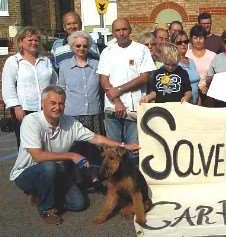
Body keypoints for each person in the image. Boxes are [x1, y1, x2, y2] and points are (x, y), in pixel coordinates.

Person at [9, 85, 140, 225]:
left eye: (61, 103)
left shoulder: (69, 122)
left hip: (56, 172)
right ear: (42, 104)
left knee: (79, 204)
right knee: (49, 167)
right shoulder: (31, 121)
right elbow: (38, 156)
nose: (57, 107)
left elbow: (97, 138)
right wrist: (72, 156)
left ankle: (42, 194)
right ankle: (46, 209)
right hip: (26, 173)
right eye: (52, 103)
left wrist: (124, 145)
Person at [97, 18, 155, 162]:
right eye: (118, 30)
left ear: (130, 30)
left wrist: (120, 89)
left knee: (134, 152)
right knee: (114, 153)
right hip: (112, 109)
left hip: (134, 110)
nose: (121, 33)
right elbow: (103, 79)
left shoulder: (141, 50)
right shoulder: (107, 52)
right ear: (113, 33)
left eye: (124, 29)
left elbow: (144, 77)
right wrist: (117, 100)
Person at [1, 26, 57, 147]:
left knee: (47, 143)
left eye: (36, 40)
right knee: (27, 146)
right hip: (24, 109)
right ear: (21, 41)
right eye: (30, 40)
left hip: (45, 109)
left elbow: (54, 83)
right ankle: (27, 167)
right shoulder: (14, 61)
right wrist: (16, 107)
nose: (34, 43)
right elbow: (8, 85)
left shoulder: (45, 61)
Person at [58, 31, 103, 134]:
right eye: (78, 46)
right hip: (72, 114)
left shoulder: (97, 65)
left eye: (85, 46)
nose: (81, 48)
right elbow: (61, 90)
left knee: (94, 148)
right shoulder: (64, 66)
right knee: (75, 148)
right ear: (72, 47)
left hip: (94, 114)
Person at [186, 24, 216, 106]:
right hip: (190, 93)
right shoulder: (186, 55)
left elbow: (216, 75)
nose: (198, 41)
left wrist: (207, 86)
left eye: (201, 38)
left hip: (208, 94)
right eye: (195, 38)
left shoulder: (212, 55)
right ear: (191, 39)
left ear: (205, 39)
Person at [171, 30, 200, 105]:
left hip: (195, 105)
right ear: (173, 44)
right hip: (182, 105)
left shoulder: (191, 61)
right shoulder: (172, 64)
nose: (183, 44)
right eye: (179, 43)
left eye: (186, 41)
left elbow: (196, 85)